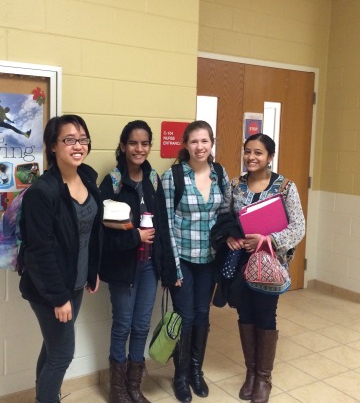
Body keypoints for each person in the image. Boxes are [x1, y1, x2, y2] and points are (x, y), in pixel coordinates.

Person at [211, 133, 305, 403]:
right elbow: (224, 217)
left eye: (259, 153)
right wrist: (229, 235)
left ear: (270, 157)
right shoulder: (235, 185)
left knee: (265, 315)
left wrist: (269, 240)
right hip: (240, 263)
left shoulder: (285, 187)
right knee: (245, 314)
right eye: (247, 151)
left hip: (269, 264)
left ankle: (264, 378)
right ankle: (250, 373)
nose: (251, 157)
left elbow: (298, 227)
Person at [18, 114, 103, 403]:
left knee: (54, 349)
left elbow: (90, 233)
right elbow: (38, 252)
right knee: (63, 354)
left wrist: (92, 271)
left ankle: (45, 395)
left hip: (76, 283)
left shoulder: (88, 177)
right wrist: (58, 298)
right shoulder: (42, 192)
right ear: (53, 146)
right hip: (49, 289)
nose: (78, 145)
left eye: (83, 139)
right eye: (69, 139)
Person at [99, 120, 177, 403]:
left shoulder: (153, 179)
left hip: (149, 267)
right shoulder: (112, 182)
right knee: (122, 325)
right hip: (123, 267)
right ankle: (118, 389)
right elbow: (104, 234)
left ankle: (134, 385)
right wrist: (136, 238)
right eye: (133, 143)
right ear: (123, 146)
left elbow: (163, 228)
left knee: (142, 325)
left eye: (145, 143)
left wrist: (168, 269)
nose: (139, 149)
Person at [161, 120, 229, 403]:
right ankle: (180, 376)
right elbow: (165, 225)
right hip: (183, 260)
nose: (199, 147)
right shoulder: (173, 176)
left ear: (211, 143)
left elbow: (225, 213)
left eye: (205, 141)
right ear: (185, 145)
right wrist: (173, 267)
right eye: (194, 142)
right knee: (185, 317)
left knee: (203, 315)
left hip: (210, 260)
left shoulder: (220, 173)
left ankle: (195, 372)